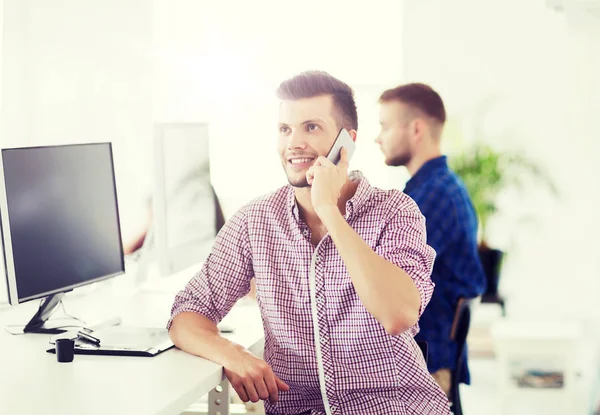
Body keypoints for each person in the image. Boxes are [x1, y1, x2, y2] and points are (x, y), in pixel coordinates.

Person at [168, 71, 451, 414]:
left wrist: (329, 210)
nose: (294, 143)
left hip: (392, 407)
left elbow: (398, 314)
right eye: (285, 129)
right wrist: (231, 352)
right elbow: (186, 314)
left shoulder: (395, 210)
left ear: (346, 142)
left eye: (311, 127)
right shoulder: (254, 221)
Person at [376, 82, 487, 396]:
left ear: (416, 129)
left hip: (425, 366)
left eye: (385, 126)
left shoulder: (433, 196)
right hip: (427, 357)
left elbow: (389, 276)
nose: (377, 137)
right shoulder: (437, 187)